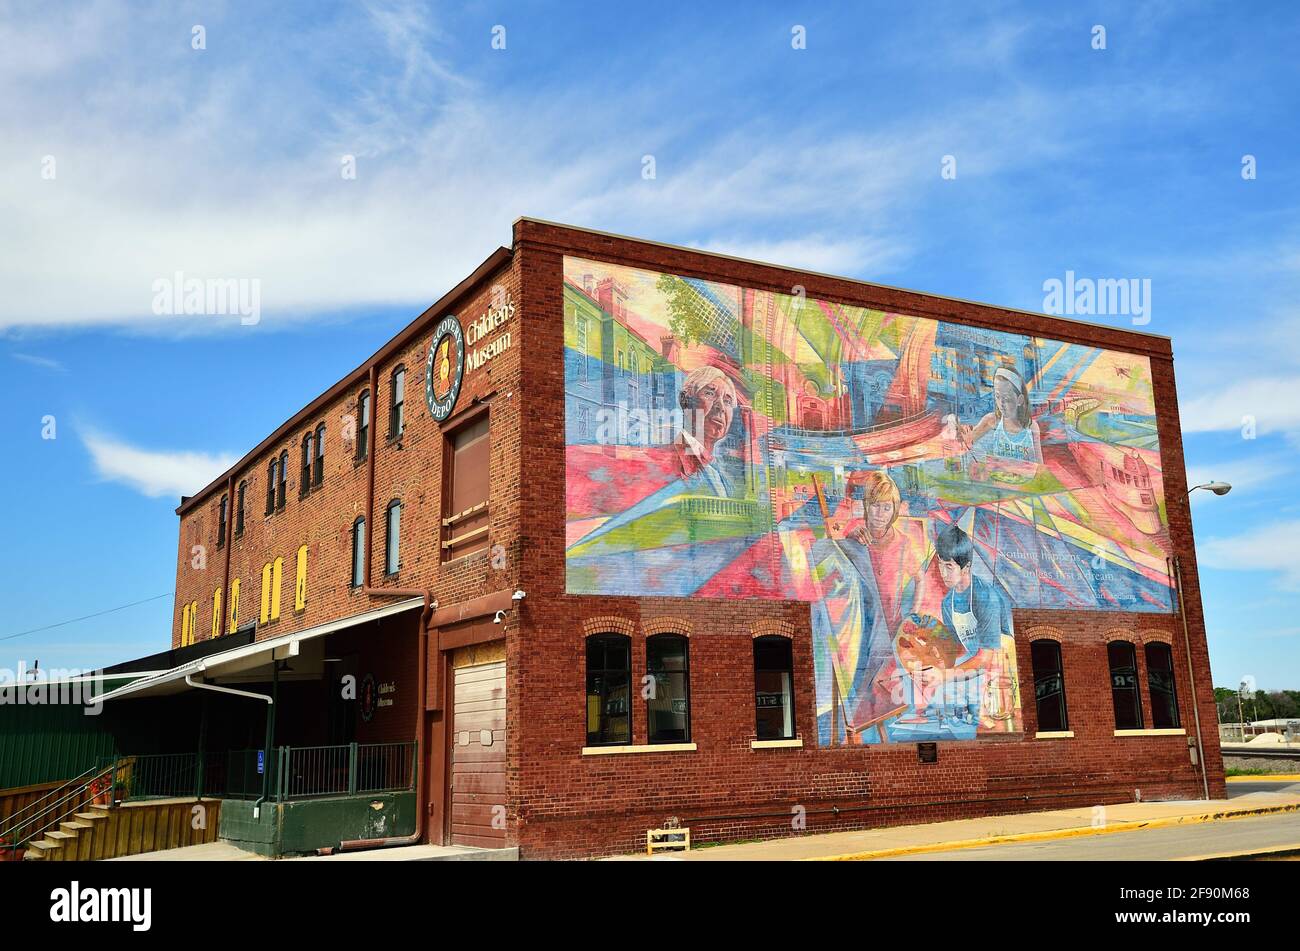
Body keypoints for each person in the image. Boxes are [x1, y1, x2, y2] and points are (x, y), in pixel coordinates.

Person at [933, 524, 1014, 727]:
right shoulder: (947, 604)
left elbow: (986, 658)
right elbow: (959, 651)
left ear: (966, 567)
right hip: (977, 676)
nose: (943, 572)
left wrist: (944, 676)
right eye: (940, 564)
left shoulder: (986, 597)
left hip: (1003, 676)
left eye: (949, 566)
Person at [956, 366, 1042, 466]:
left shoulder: (1031, 427)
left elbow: (1040, 466)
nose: (1001, 403)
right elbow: (967, 441)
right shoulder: (991, 420)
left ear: (1020, 400)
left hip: (1024, 475)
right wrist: (960, 433)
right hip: (998, 475)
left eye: (1007, 398)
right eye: (997, 396)